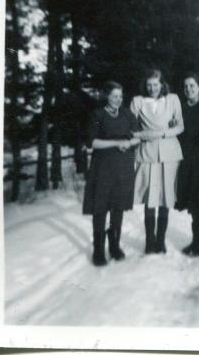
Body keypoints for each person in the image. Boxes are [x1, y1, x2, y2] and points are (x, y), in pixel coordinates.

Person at [83, 81, 140, 267]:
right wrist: (117, 143)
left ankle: (114, 245)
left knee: (118, 206)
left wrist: (129, 143)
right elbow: (92, 142)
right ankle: (98, 250)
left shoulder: (127, 114)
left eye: (120, 96)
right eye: (114, 96)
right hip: (102, 167)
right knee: (100, 207)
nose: (118, 100)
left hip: (123, 167)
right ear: (106, 96)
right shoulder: (97, 115)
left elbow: (138, 137)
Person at [130, 69, 184, 254]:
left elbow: (180, 126)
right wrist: (143, 135)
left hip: (169, 154)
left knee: (165, 197)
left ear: (162, 84)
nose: (152, 88)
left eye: (155, 84)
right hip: (147, 153)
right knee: (150, 197)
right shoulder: (138, 101)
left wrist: (162, 133)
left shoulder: (173, 99)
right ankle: (149, 242)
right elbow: (130, 127)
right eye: (149, 85)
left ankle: (160, 241)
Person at [176, 73, 199, 256]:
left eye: (192, 86)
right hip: (185, 159)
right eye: (186, 86)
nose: (188, 89)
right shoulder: (180, 107)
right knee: (192, 201)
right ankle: (197, 240)